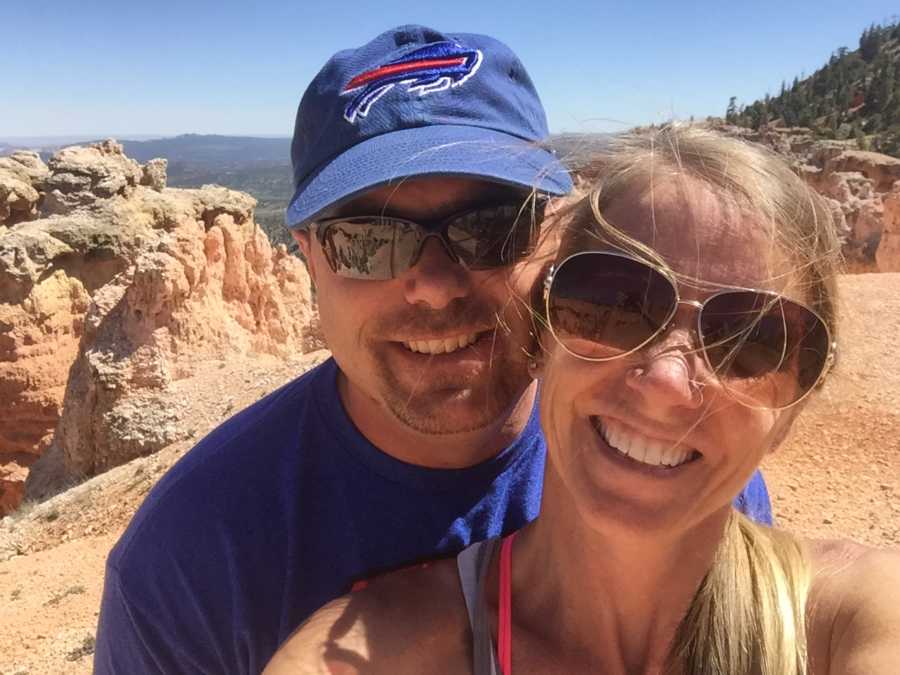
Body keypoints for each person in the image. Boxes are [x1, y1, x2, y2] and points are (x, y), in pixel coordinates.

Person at [93, 27, 770, 674]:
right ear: (307, 258)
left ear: (551, 236)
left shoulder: (670, 459)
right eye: (368, 240)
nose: (435, 287)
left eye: (491, 227)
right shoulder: (190, 559)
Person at [264, 125, 900, 674]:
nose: (668, 382)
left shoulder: (855, 621)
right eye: (610, 303)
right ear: (539, 334)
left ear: (794, 403)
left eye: (753, 342)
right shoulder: (372, 653)